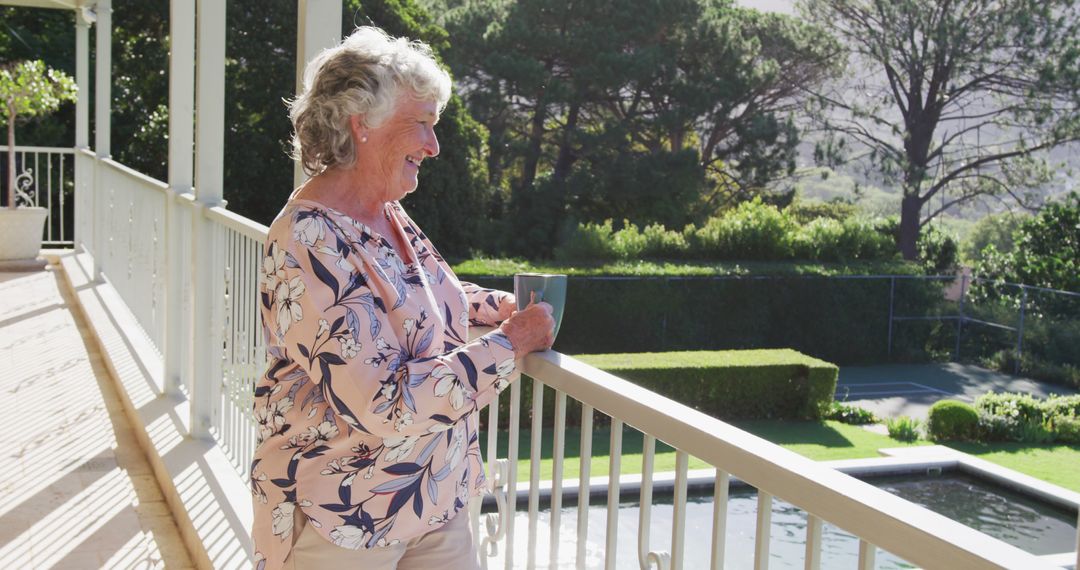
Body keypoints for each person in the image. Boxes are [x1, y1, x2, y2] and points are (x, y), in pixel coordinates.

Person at [250, 26, 555, 570]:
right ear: (360, 123)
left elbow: (409, 296)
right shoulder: (307, 240)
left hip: (433, 497)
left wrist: (494, 308)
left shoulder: (383, 211)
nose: (434, 147)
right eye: (422, 125)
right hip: (341, 514)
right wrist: (510, 344)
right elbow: (386, 406)